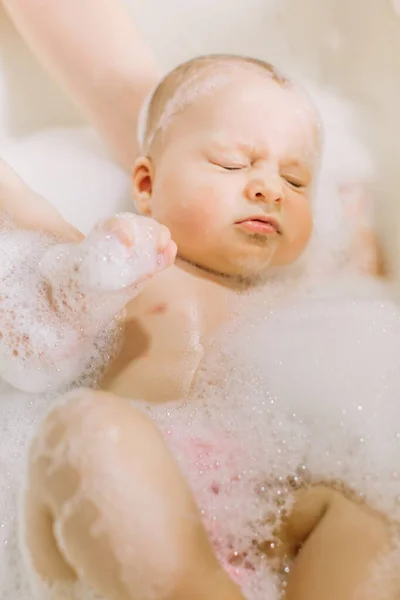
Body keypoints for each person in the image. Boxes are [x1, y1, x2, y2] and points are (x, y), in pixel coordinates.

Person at [0, 51, 394, 600]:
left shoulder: (307, 302)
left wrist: (358, 239)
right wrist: (83, 277)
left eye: (297, 181)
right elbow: (27, 224)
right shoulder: (125, 263)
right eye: (234, 164)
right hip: (131, 522)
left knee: (373, 514)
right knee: (86, 431)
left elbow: (371, 314)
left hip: (267, 512)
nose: (269, 189)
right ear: (146, 184)